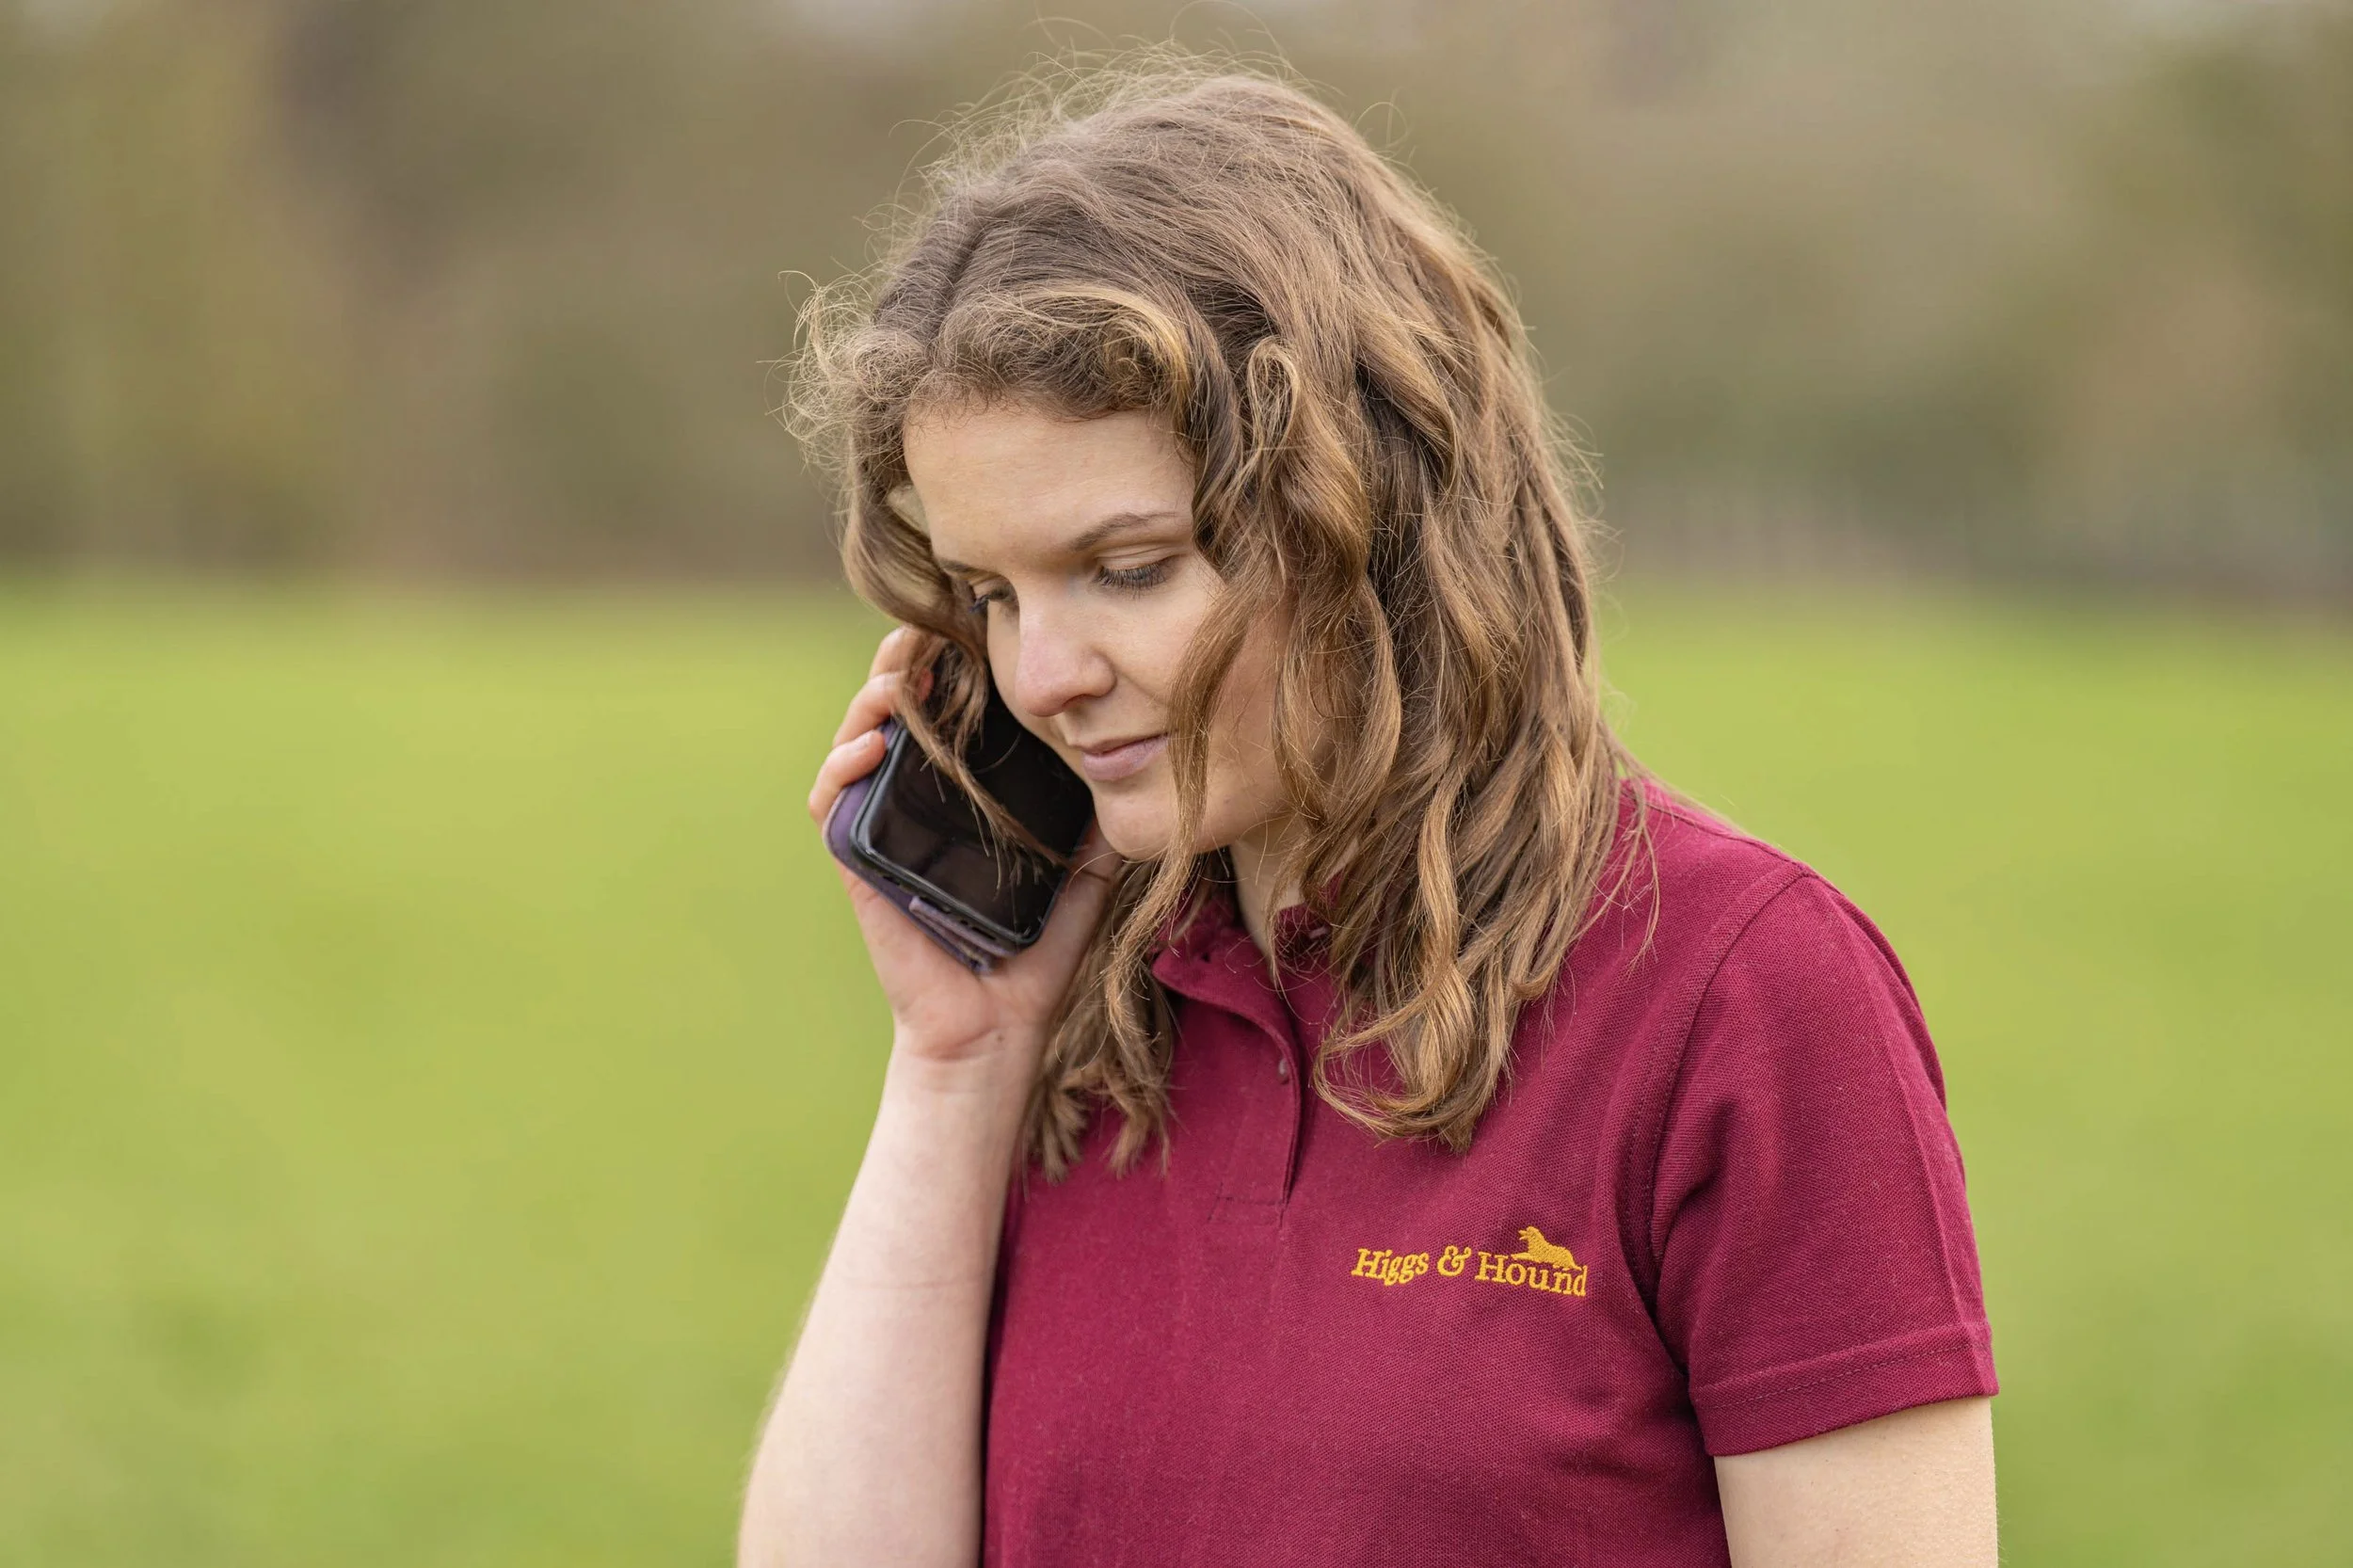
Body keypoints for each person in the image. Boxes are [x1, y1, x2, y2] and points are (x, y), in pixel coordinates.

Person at [741, 62, 1997, 1568]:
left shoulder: (1748, 993)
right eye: (995, 595)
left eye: (1127, 566)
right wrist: (957, 1064)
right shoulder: (1077, 1021)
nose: (1044, 676)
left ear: (1369, 510)